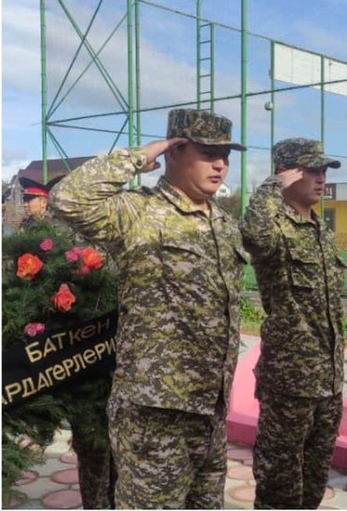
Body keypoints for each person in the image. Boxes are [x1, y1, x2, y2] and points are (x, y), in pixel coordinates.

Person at [50, 108, 248, 508]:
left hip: (210, 409)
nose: (221, 164)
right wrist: (139, 156)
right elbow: (67, 198)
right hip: (154, 413)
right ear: (173, 151)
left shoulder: (223, 224)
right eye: (209, 153)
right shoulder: (138, 212)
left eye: (226, 155)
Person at [240, 138, 346, 509]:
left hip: (328, 379)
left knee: (314, 480)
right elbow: (253, 235)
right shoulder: (275, 229)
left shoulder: (321, 230)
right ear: (288, 174)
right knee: (279, 483)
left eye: (323, 170)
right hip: (290, 381)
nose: (321, 178)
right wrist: (271, 186)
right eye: (312, 170)